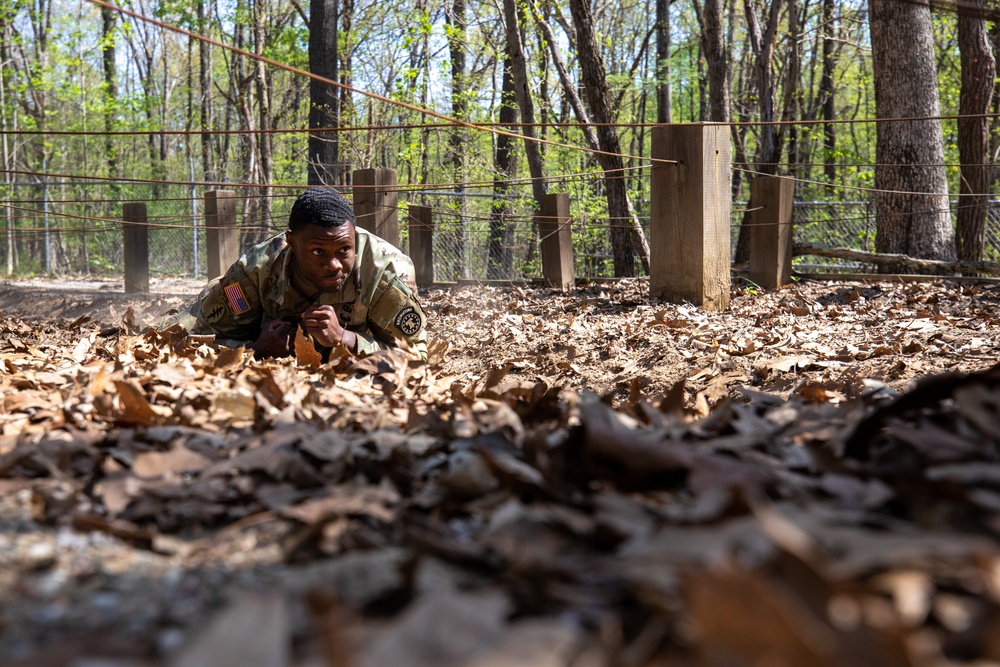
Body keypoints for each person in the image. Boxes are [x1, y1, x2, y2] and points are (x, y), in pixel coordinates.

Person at [161, 187, 427, 361]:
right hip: (254, 327)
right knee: (164, 331)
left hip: (357, 353)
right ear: (292, 242)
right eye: (318, 252)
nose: (334, 264)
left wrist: (346, 339)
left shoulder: (385, 272)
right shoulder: (259, 268)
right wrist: (254, 349)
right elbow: (189, 342)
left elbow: (417, 357)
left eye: (344, 249)